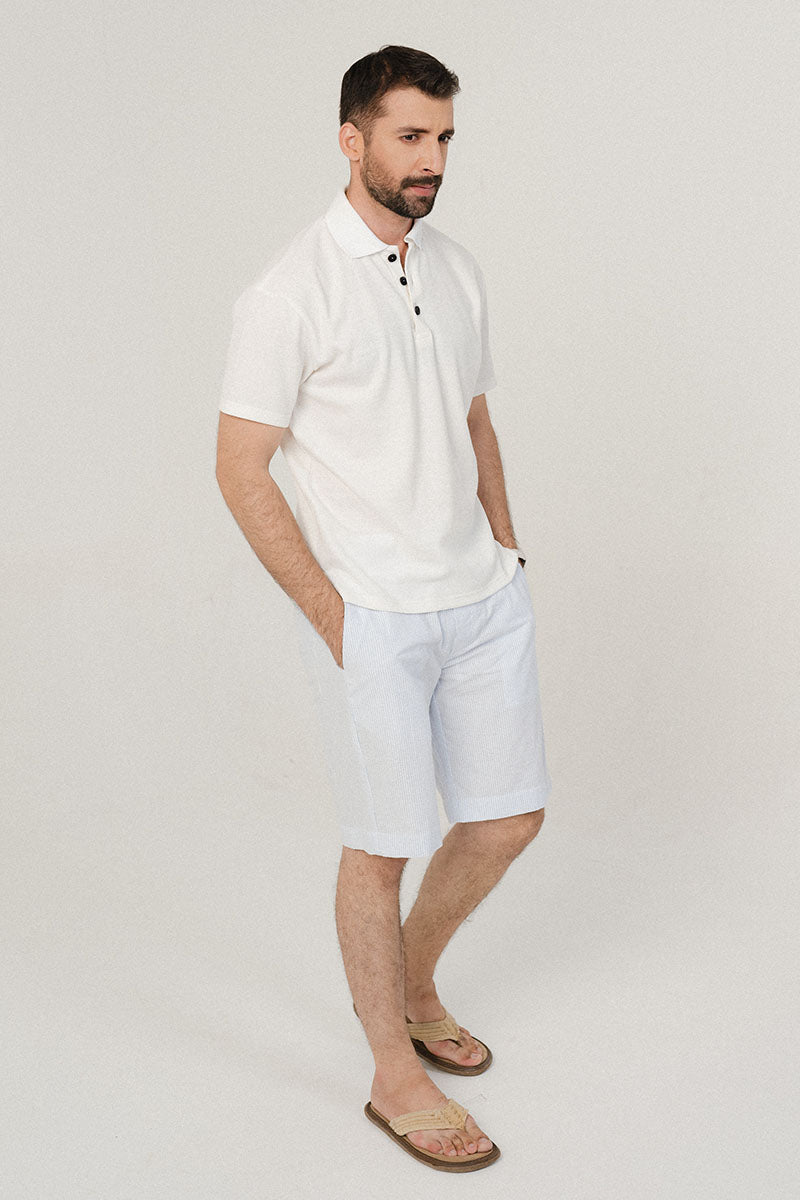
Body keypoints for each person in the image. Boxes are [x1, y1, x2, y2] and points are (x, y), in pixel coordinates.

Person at [215, 44, 552, 1172]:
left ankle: (412, 983)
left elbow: (473, 419)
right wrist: (334, 616)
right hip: (374, 614)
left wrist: (504, 545)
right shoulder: (288, 291)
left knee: (506, 820)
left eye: (444, 137)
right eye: (410, 136)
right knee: (383, 844)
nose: (432, 159)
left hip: (481, 595)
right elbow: (239, 467)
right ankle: (390, 1073)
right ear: (351, 139)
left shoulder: (455, 268)